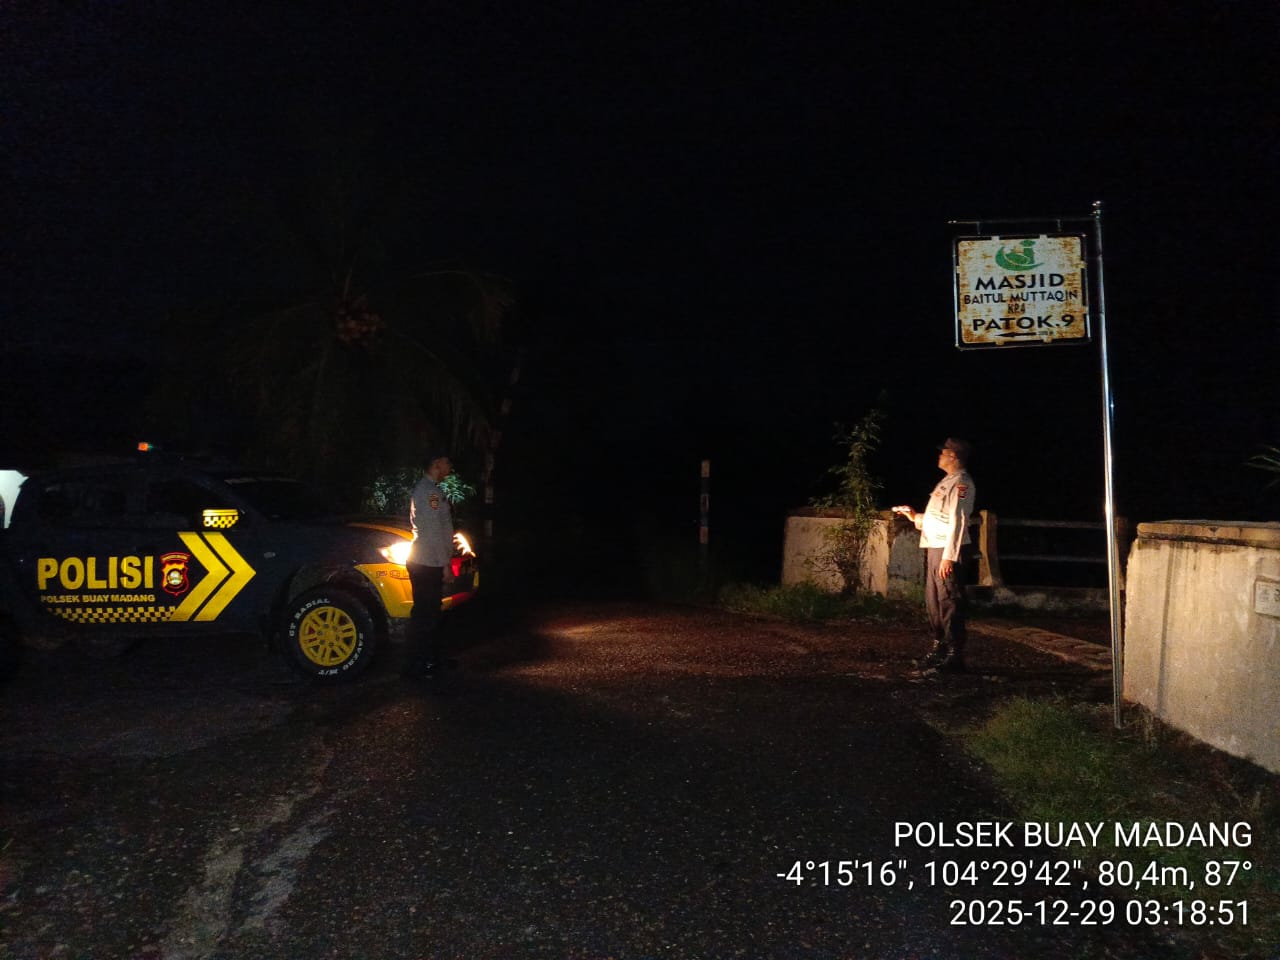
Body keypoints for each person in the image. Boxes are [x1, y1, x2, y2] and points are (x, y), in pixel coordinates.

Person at [892, 438, 977, 674]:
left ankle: (954, 655)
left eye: (943, 452)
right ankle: (939, 647)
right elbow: (940, 517)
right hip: (935, 546)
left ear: (954, 456)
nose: (939, 455)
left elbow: (958, 521)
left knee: (949, 599)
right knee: (934, 601)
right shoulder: (947, 481)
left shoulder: (962, 483)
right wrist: (915, 517)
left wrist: (949, 557)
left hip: (947, 549)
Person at [403, 447, 457, 678]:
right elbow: (435, 530)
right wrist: (445, 563)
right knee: (425, 615)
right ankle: (418, 665)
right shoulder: (428, 492)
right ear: (436, 465)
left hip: (428, 559)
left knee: (430, 613)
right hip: (427, 562)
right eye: (446, 463)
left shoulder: (432, 490)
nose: (449, 467)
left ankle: (430, 659)